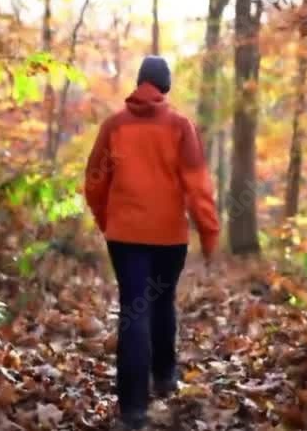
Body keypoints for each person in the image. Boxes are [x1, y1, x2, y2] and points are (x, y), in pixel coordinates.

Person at [84, 55, 220, 429]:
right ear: (166, 87)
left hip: (125, 237)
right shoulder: (180, 126)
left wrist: (106, 219)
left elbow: (94, 182)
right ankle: (164, 375)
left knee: (134, 309)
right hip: (168, 238)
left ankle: (133, 409)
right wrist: (209, 234)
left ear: (140, 83)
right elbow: (198, 187)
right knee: (161, 302)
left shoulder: (114, 126)